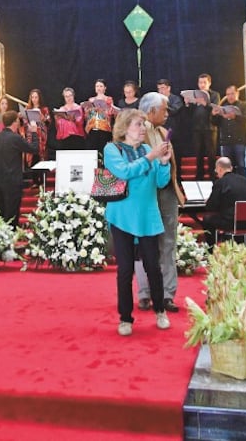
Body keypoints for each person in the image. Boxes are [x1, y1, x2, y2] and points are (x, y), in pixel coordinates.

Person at [103, 108, 173, 336]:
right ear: (124, 128)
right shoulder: (112, 149)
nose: (143, 129)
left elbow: (161, 183)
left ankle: (160, 310)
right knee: (124, 269)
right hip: (121, 216)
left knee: (153, 266)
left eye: (143, 124)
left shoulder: (146, 150)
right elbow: (123, 172)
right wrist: (151, 157)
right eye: (138, 125)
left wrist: (163, 163)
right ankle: (125, 318)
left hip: (147, 216)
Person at [134, 92, 189, 313]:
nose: (167, 114)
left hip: (167, 192)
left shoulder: (164, 131)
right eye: (164, 110)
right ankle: (145, 293)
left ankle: (167, 294)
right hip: (146, 193)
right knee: (144, 244)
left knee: (168, 243)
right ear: (151, 111)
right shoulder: (135, 131)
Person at [0, 111, 38, 225]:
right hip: (12, 182)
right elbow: (34, 149)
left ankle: (1, 238)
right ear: (15, 122)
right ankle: (11, 237)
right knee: (11, 214)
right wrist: (34, 133)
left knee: (0, 212)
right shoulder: (15, 138)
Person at [198, 157, 246, 245]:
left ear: (219, 169)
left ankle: (211, 250)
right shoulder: (245, 181)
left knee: (207, 219)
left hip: (231, 223)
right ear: (231, 168)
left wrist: (209, 201)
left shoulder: (220, 183)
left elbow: (211, 207)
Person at [183, 74, 220, 180]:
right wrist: (187, 104)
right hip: (197, 128)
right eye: (200, 82)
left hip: (210, 127)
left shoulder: (214, 95)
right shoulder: (195, 94)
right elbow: (189, 114)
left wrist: (205, 103)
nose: (202, 85)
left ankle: (212, 174)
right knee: (198, 153)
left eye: (204, 82)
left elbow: (215, 108)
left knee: (211, 153)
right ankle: (199, 175)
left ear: (209, 83)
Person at [213, 85, 246, 177]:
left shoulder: (243, 105)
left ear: (237, 93)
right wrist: (214, 115)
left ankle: (242, 186)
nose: (230, 96)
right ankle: (228, 186)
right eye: (228, 94)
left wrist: (235, 117)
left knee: (241, 165)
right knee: (226, 166)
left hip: (239, 141)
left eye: (232, 94)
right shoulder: (223, 107)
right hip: (225, 142)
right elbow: (216, 123)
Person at [156, 79, 186, 164]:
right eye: (159, 89)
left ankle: (177, 176)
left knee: (176, 156)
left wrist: (164, 105)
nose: (161, 91)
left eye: (163, 88)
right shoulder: (156, 100)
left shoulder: (175, 99)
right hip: (161, 131)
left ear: (168, 88)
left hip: (173, 132)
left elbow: (174, 110)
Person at [82, 79, 116, 153]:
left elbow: (111, 113)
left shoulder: (108, 99)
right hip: (92, 127)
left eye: (101, 86)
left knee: (104, 150)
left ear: (105, 88)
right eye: (97, 86)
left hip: (104, 128)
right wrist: (88, 111)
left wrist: (103, 110)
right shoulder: (91, 100)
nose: (99, 88)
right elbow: (88, 116)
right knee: (92, 151)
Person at [19, 88, 50, 165]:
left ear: (39, 98)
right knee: (32, 155)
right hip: (30, 135)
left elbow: (48, 123)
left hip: (41, 136)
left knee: (40, 156)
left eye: (36, 97)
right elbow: (24, 123)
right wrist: (21, 116)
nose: (34, 99)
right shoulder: (27, 108)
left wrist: (43, 118)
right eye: (32, 97)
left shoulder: (44, 109)